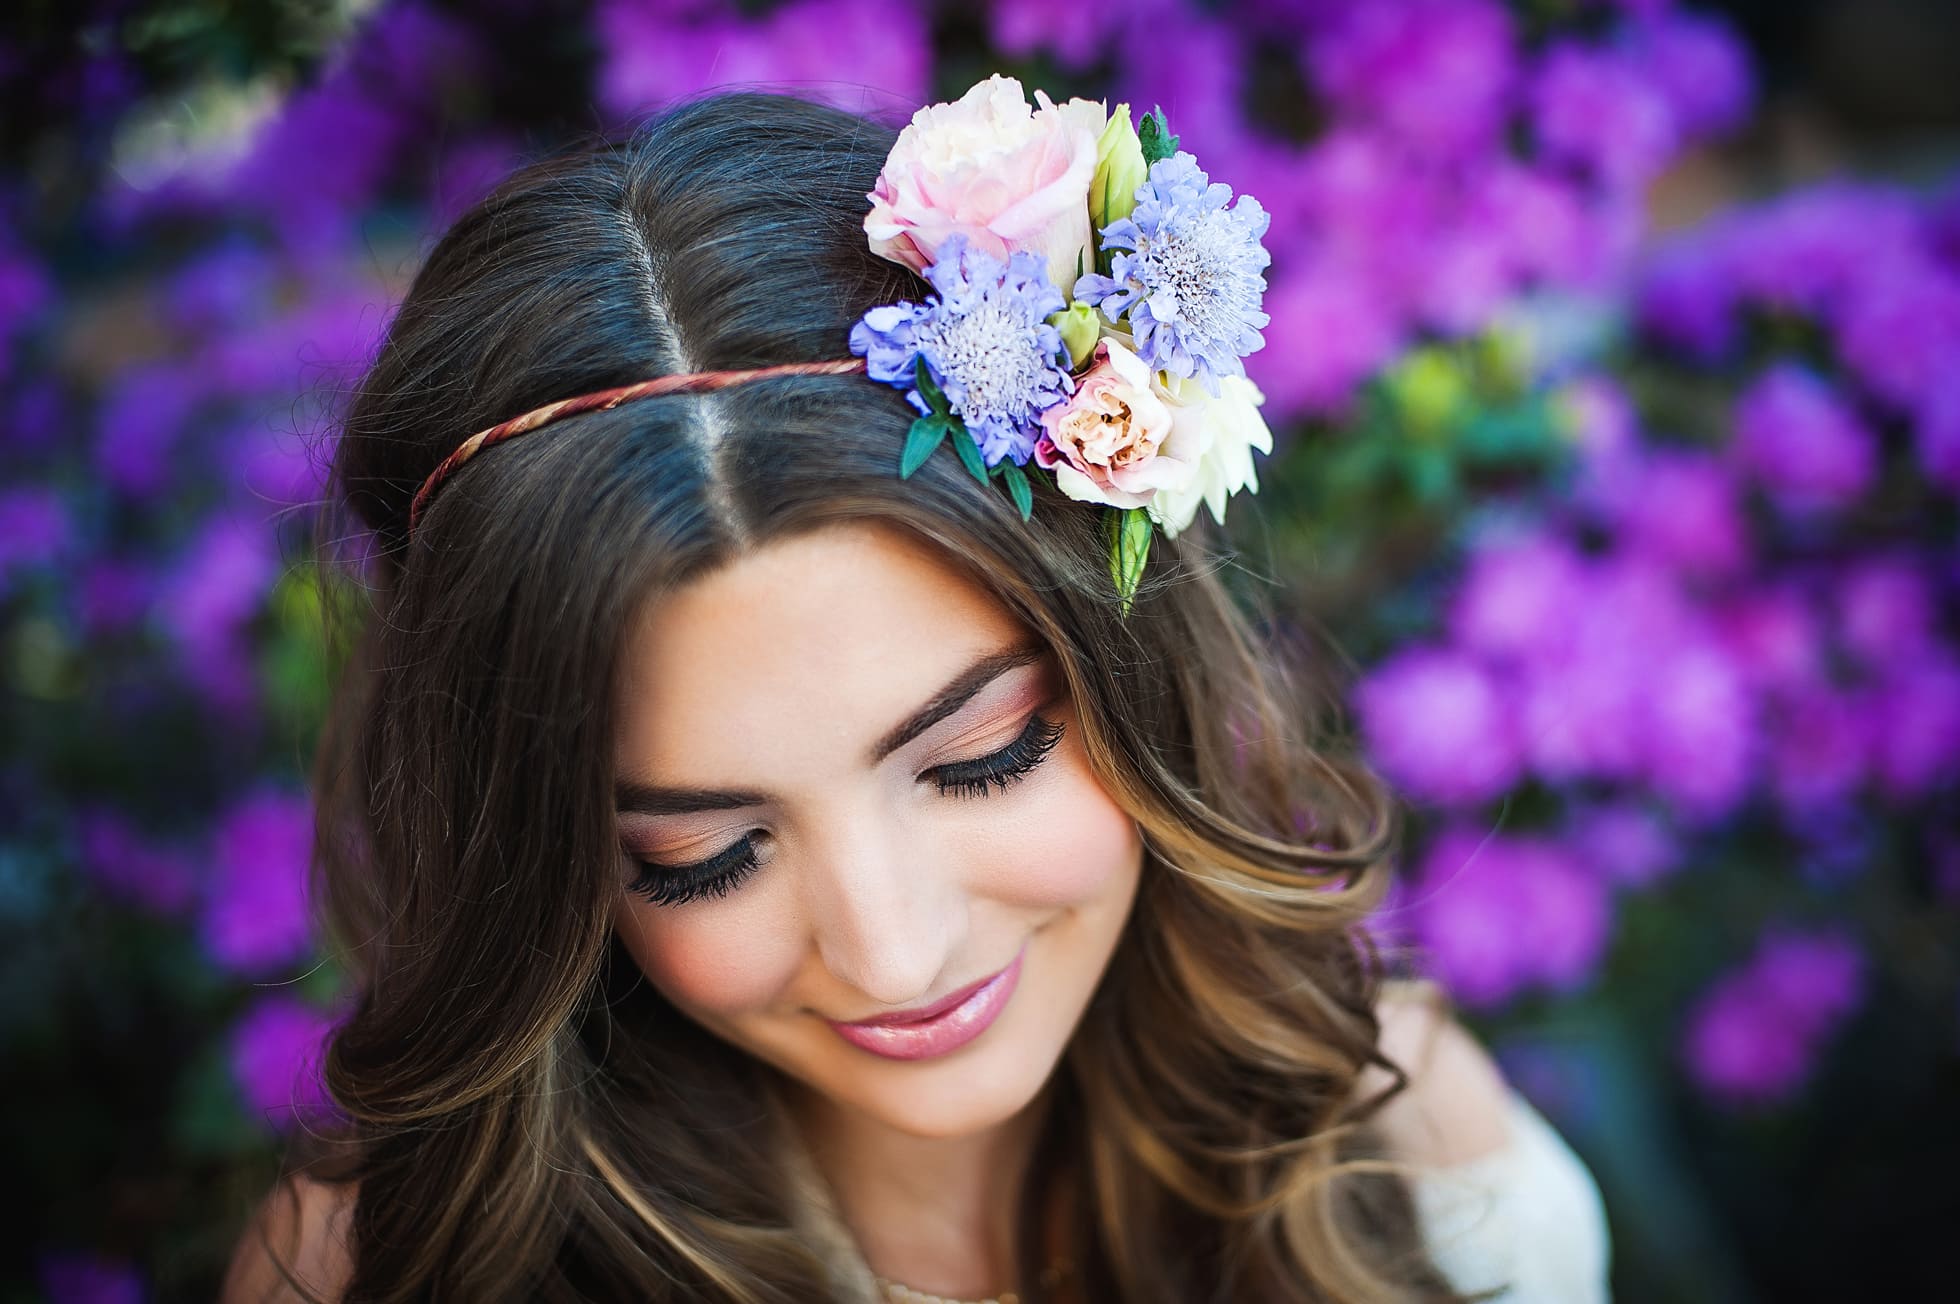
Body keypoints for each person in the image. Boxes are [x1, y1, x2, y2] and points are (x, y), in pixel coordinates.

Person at [223, 78, 1611, 1304]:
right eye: (703, 856)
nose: (893, 955)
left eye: (985, 759)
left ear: (1137, 672)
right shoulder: (393, 1268)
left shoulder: (1390, 1132)